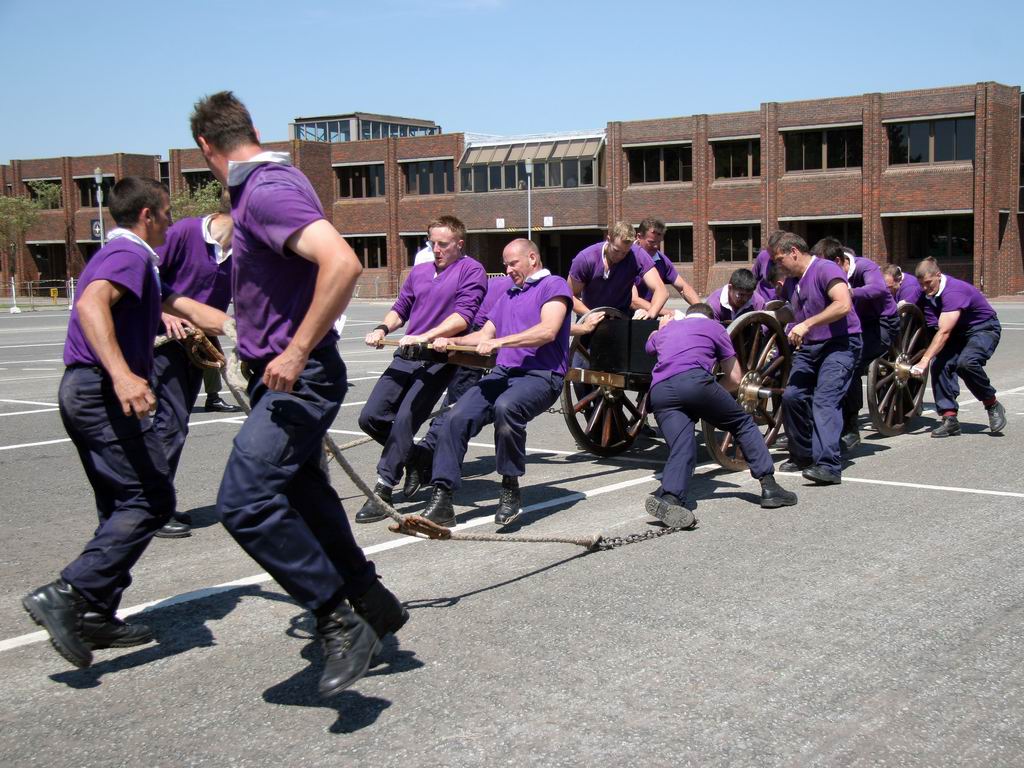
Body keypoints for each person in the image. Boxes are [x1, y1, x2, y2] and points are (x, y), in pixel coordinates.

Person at [190, 91, 405, 697]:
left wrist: (295, 349)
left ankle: (339, 621)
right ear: (251, 130)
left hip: (298, 377)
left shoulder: (265, 190)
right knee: (307, 498)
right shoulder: (266, 188)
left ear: (205, 146)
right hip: (280, 376)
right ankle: (372, 601)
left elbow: (343, 264)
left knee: (244, 501)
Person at [22, 177, 231, 669]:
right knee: (152, 497)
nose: (170, 222)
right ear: (146, 215)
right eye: (166, 213)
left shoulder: (139, 260)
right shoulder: (129, 254)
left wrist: (236, 329)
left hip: (88, 390)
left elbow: (179, 303)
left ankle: (95, 612)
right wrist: (121, 375)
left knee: (121, 503)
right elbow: (90, 303)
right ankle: (69, 593)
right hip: (99, 390)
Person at [423, 239, 573, 527]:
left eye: (512, 263)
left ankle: (509, 487)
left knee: (506, 408)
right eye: (505, 265)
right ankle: (442, 498)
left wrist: (500, 342)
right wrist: (451, 340)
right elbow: (484, 335)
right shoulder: (509, 295)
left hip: (542, 375)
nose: (507, 270)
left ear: (532, 258)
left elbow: (548, 330)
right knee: (455, 416)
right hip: (504, 373)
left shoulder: (553, 285)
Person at [357, 215, 486, 522]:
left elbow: (463, 317)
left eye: (443, 244)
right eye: (432, 243)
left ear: (459, 244)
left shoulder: (471, 270)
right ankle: (417, 457)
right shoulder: (420, 271)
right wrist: (382, 328)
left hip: (438, 358)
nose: (436, 249)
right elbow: (401, 308)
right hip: (407, 354)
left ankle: (383, 488)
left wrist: (426, 336)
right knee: (370, 417)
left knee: (405, 419)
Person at [643, 303, 797, 525]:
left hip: (660, 392)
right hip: (695, 381)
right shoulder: (715, 328)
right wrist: (709, 395)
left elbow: (649, 346)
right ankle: (770, 487)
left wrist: (659, 330)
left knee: (681, 446)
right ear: (709, 317)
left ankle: (671, 498)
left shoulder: (668, 330)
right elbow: (735, 378)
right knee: (742, 424)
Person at [151, 194, 239, 539]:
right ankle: (151, 509)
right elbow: (145, 277)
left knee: (176, 424)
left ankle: (151, 502)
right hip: (163, 341)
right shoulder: (185, 233)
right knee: (170, 424)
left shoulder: (242, 252)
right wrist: (164, 313)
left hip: (197, 343)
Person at [401, 273, 515, 501]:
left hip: (459, 329)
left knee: (455, 401)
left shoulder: (497, 282)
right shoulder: (522, 288)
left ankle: (431, 453)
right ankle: (425, 455)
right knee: (462, 406)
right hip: (474, 336)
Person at [772, 232, 862, 485]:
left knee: (825, 400)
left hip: (840, 344)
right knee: (791, 396)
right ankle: (802, 455)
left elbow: (843, 304)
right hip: (811, 347)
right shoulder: (792, 281)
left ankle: (828, 465)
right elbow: (793, 310)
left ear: (794, 252)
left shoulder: (825, 269)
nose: (778, 265)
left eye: (779, 259)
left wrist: (807, 324)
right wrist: (769, 316)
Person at [815, 239, 900, 451]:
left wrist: (850, 292)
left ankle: (851, 427)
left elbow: (878, 288)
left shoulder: (865, 267)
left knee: (851, 364)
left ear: (838, 261)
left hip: (880, 323)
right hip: (853, 324)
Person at [910, 259, 1005, 437]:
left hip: (982, 328)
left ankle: (992, 404)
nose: (925, 288)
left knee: (966, 363)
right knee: (940, 365)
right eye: (921, 284)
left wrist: (924, 360)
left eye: (928, 283)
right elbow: (908, 310)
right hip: (957, 333)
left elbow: (944, 331)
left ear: (938, 275)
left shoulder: (954, 291)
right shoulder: (924, 290)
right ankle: (949, 419)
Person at [568, 221, 668, 318]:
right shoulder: (586, 259)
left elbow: (661, 290)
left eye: (625, 252)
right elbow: (570, 295)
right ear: (608, 239)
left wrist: (651, 313)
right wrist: (591, 315)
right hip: (589, 316)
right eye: (616, 250)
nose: (620, 256)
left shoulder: (636, 254)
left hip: (620, 317)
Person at [629, 217, 699, 315]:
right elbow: (633, 301)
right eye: (651, 242)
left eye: (659, 242)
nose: (656, 246)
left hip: (648, 316)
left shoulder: (662, 261)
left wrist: (702, 310)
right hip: (621, 317)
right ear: (639, 237)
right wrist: (669, 313)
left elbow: (683, 287)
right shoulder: (628, 257)